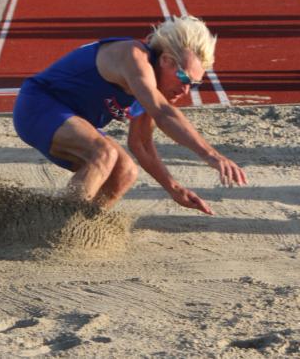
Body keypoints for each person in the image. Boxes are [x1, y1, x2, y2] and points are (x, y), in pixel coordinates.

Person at [13, 15, 247, 215]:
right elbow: (164, 113)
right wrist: (212, 156)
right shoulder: (133, 57)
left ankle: (83, 226)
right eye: (184, 78)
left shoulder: (152, 93)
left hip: (73, 121)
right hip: (39, 105)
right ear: (165, 60)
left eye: (194, 84)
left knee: (125, 172)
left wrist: (174, 189)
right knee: (103, 153)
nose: (186, 89)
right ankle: (56, 225)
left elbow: (141, 144)